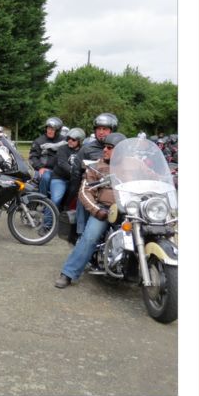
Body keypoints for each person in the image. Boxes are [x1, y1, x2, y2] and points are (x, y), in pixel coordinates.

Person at [55, 132, 127, 288]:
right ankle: (68, 273)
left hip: (130, 209)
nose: (105, 150)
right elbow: (85, 191)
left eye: (110, 147)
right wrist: (97, 210)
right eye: (105, 147)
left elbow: (153, 177)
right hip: (106, 210)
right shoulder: (95, 167)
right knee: (90, 237)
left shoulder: (134, 165)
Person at [67, 112, 118, 237]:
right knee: (82, 201)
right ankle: (81, 234)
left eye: (105, 129)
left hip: (114, 190)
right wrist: (76, 192)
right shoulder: (86, 149)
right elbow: (76, 172)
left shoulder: (120, 146)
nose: (101, 132)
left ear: (112, 130)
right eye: (99, 129)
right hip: (92, 189)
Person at [49, 127, 86, 211]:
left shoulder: (84, 150)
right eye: (68, 138)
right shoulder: (62, 148)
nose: (70, 141)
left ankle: (65, 212)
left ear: (80, 141)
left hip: (75, 180)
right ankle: (48, 219)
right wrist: (74, 171)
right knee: (56, 200)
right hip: (60, 178)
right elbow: (62, 163)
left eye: (73, 140)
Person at [28, 117, 65, 199]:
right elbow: (32, 157)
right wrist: (40, 167)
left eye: (52, 129)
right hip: (45, 169)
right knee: (45, 177)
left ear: (58, 130)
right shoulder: (39, 141)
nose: (49, 131)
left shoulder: (63, 141)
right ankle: (43, 200)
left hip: (61, 170)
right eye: (48, 128)